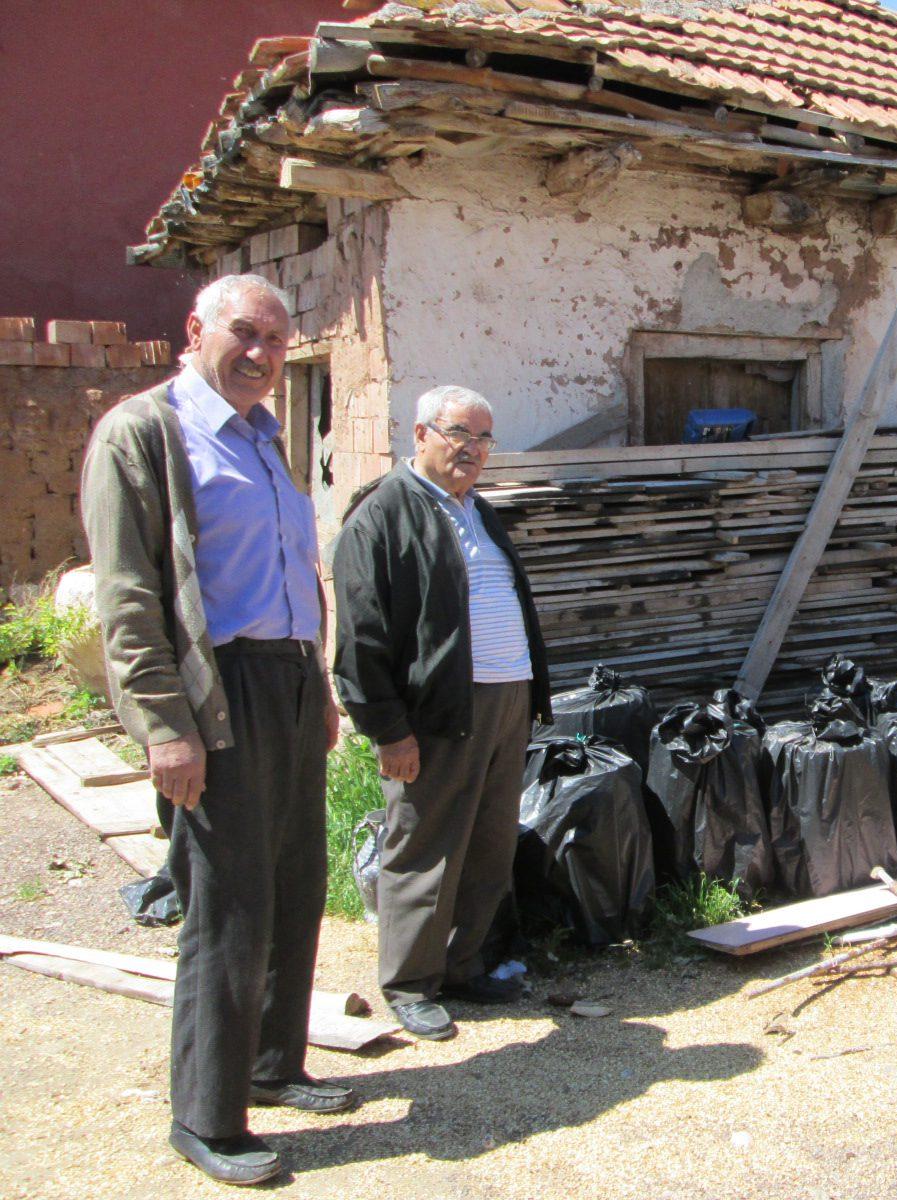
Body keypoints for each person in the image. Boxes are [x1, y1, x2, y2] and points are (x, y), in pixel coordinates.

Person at [82, 275, 351, 1187]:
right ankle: (206, 1115)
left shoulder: (268, 438)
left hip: (282, 678)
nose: (263, 355)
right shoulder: (145, 433)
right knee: (228, 907)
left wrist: (316, 687)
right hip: (215, 689)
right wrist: (165, 727)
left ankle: (273, 1067)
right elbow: (127, 601)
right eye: (245, 334)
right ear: (195, 330)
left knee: (295, 883)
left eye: (277, 342)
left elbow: (289, 575)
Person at [332, 385, 553, 1041]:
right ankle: (408, 982)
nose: (474, 449)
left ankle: (462, 966)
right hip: (438, 712)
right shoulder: (382, 516)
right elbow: (359, 641)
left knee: (487, 843)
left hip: (505, 699)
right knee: (423, 844)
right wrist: (388, 729)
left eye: (484, 438)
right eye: (460, 433)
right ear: (421, 435)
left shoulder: (477, 511)